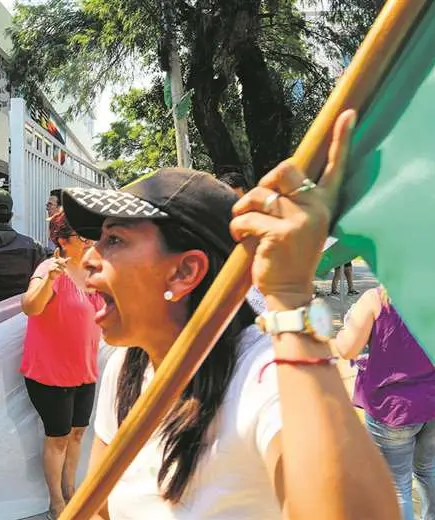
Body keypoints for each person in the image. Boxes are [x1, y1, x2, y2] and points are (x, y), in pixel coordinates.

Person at [60, 110, 399, 519]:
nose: (90, 257)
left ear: (185, 271)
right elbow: (102, 509)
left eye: (114, 239)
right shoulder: (126, 369)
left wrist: (290, 298)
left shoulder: (264, 375)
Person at [332, 286, 435, 520]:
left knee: (396, 484)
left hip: (394, 409)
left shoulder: (376, 299)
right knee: (429, 468)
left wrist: (348, 325)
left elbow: (347, 349)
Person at [20, 211, 103, 519]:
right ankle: (57, 501)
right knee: (58, 437)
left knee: (78, 432)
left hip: (84, 369)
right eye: (83, 236)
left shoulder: (90, 269)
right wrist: (48, 281)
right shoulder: (49, 267)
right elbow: (30, 306)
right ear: (63, 241)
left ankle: (72, 490)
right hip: (51, 371)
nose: (90, 240)